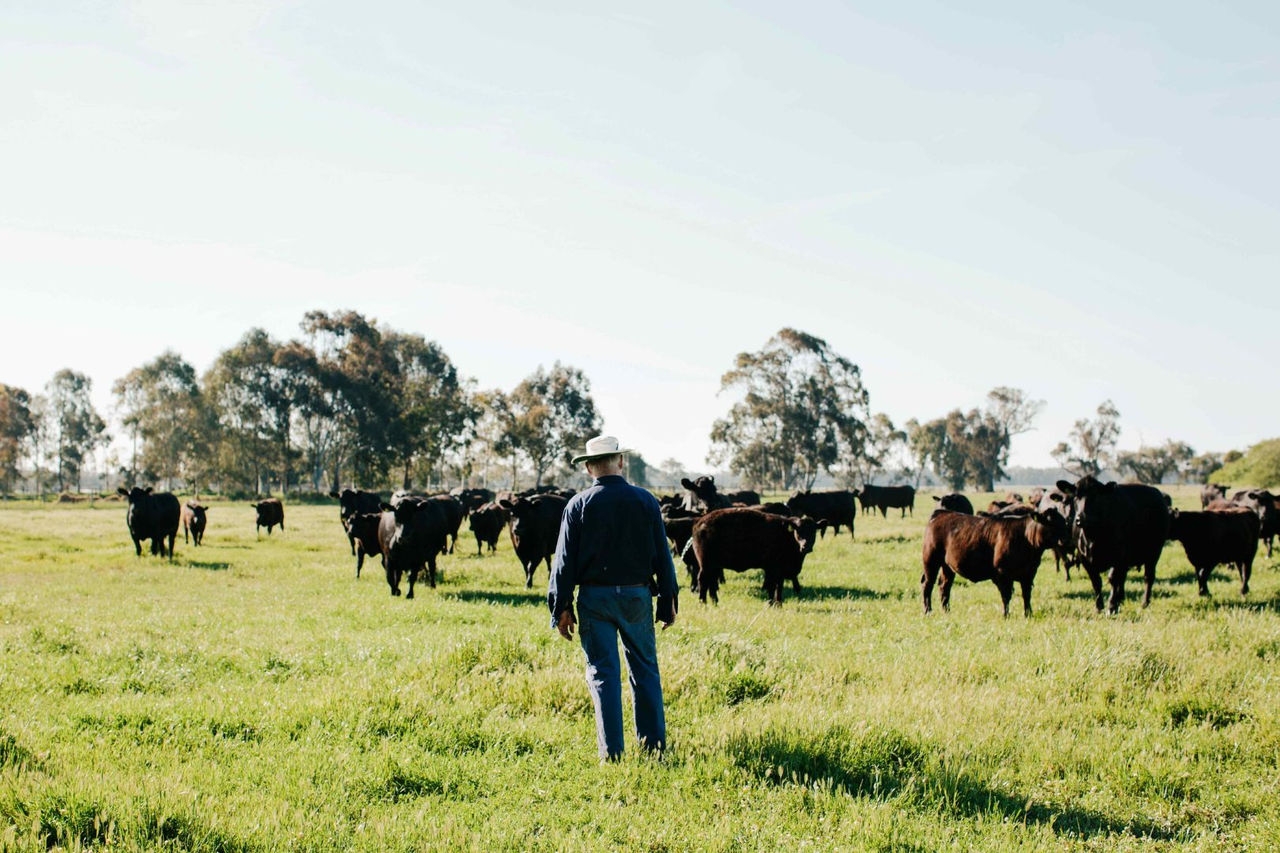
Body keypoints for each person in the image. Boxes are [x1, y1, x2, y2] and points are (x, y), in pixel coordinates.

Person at [548, 435, 679, 761]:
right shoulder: (646, 501)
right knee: (645, 670)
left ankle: (613, 755)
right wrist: (667, 600)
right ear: (620, 462)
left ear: (590, 467)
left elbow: (563, 562)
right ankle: (654, 751)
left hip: (595, 598)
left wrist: (561, 607)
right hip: (636, 596)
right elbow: (663, 556)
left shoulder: (578, 505)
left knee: (603, 674)